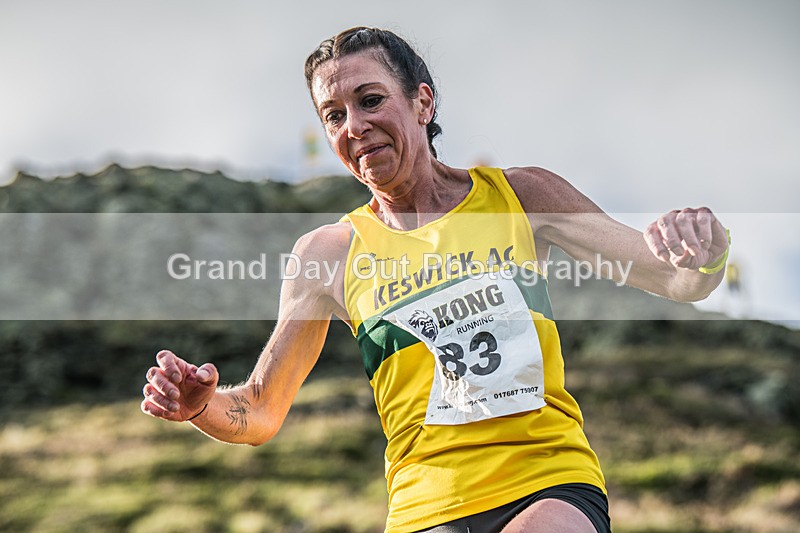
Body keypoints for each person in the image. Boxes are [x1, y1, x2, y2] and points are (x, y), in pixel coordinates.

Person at [141, 27, 730, 533]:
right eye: (334, 115)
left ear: (422, 102)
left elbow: (678, 282)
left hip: (548, 480)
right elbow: (261, 412)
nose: (356, 126)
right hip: (427, 507)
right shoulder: (326, 254)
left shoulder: (521, 196)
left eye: (371, 100)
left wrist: (704, 250)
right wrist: (201, 406)